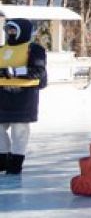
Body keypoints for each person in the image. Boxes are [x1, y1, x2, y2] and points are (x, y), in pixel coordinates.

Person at [0, 19, 48, 176]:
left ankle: (16, 162)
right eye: (8, 30)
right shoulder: (1, 49)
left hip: (23, 97)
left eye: (14, 30)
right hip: (2, 95)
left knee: (19, 130)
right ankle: (3, 159)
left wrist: (13, 72)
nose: (10, 33)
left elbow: (39, 71)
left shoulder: (34, 49)